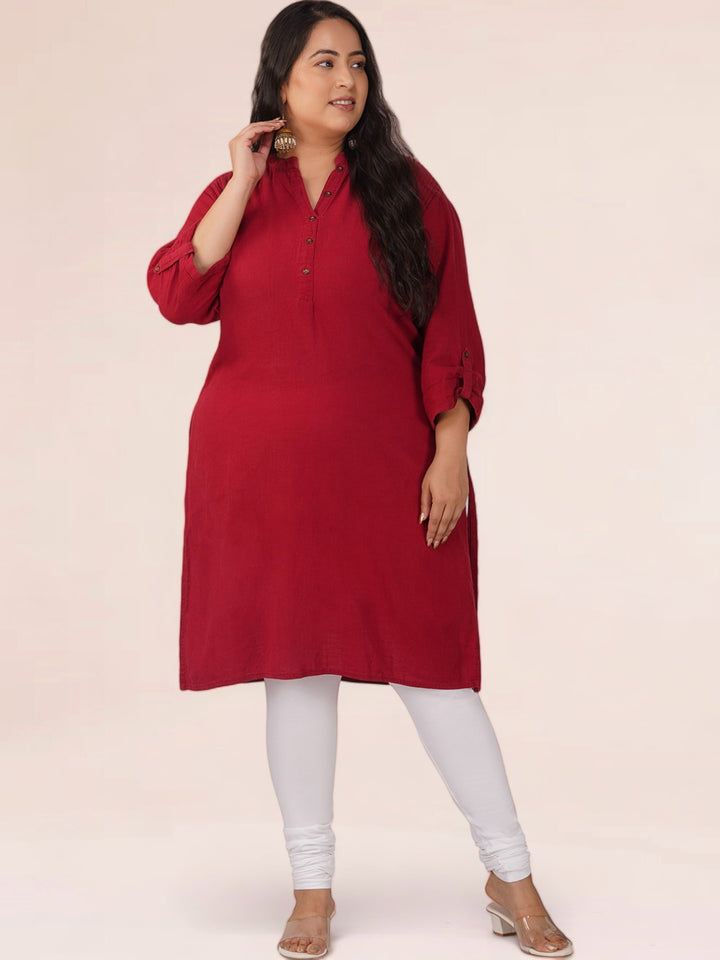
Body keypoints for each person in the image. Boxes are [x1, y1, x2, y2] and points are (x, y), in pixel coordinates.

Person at [146, 2, 574, 957]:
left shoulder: (410, 194)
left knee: (436, 672)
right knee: (294, 669)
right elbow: (178, 293)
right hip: (259, 473)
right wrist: (240, 179)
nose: (347, 80)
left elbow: (451, 330)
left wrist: (451, 448)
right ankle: (311, 889)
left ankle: (511, 873)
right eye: (324, 62)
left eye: (359, 63)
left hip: (388, 472)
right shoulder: (236, 192)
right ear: (279, 79)